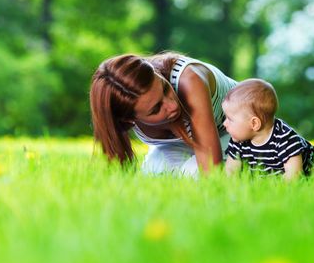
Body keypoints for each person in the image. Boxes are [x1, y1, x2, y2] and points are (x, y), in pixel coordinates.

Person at [90, 52, 237, 175]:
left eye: (165, 88)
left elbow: (211, 172)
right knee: (153, 171)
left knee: (193, 172)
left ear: (157, 73)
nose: (172, 105)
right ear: (128, 120)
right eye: (156, 109)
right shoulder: (123, 109)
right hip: (190, 144)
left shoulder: (190, 80)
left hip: (243, 132)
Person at [222, 79, 314, 180]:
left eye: (230, 119)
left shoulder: (285, 139)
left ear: (254, 123)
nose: (224, 123)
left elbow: (294, 176)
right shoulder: (238, 139)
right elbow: (230, 172)